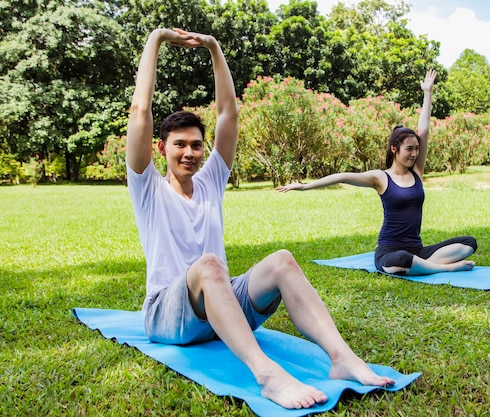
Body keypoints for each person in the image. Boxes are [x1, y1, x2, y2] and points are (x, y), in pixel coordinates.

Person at [125, 28, 394, 410]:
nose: (190, 152)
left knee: (282, 260)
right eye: (179, 144)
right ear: (162, 148)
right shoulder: (147, 188)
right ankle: (267, 376)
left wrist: (215, 48)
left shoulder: (211, 181)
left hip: (218, 309)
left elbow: (227, 113)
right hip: (167, 316)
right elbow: (140, 112)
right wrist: (155, 39)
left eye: (197, 145)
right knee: (209, 265)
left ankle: (342, 358)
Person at [277, 70, 477, 275]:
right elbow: (343, 176)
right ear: (394, 149)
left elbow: (423, 130)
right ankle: (445, 268)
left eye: (417, 149)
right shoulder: (381, 178)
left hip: (417, 250)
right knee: (401, 259)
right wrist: (305, 186)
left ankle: (426, 267)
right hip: (389, 251)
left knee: (468, 243)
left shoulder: (417, 171)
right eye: (409, 149)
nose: (414, 153)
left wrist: (428, 92)